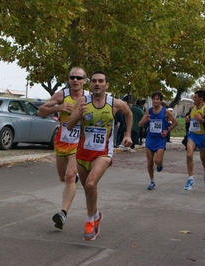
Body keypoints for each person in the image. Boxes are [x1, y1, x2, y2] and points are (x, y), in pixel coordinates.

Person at [67, 70, 133, 241]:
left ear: (106, 85)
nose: (97, 84)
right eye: (94, 81)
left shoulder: (114, 103)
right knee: (88, 189)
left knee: (90, 184)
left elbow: (129, 114)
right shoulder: (82, 101)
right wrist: (79, 116)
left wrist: (128, 134)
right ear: (90, 84)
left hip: (103, 153)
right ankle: (96, 213)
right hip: (82, 153)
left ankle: (89, 222)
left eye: (101, 81)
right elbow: (69, 126)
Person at [37, 67, 90, 230]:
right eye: (72, 77)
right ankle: (72, 181)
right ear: (69, 79)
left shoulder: (89, 98)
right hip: (61, 142)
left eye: (79, 78)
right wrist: (58, 108)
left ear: (84, 81)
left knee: (68, 176)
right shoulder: (62, 95)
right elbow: (41, 111)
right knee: (63, 177)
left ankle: (63, 213)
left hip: (79, 143)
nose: (75, 80)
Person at [138, 92, 178, 190]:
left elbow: (175, 122)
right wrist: (145, 120)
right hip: (150, 138)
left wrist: (167, 130)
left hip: (160, 139)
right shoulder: (149, 111)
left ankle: (160, 163)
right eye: (154, 99)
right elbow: (139, 124)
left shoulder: (165, 111)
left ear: (160, 101)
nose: (155, 101)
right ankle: (152, 181)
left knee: (156, 161)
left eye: (157, 99)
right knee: (150, 162)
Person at [184, 90, 205, 190]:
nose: (193, 99)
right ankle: (191, 178)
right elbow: (190, 115)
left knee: (203, 158)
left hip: (202, 136)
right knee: (189, 155)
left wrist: (202, 120)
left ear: (201, 99)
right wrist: (188, 117)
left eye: (195, 97)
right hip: (192, 135)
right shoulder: (192, 107)